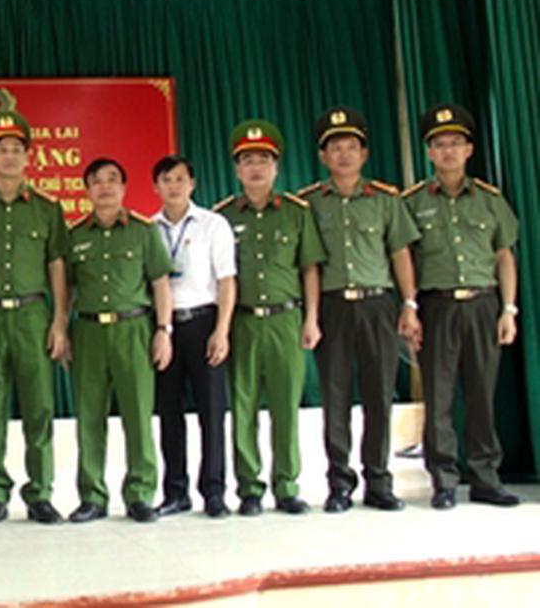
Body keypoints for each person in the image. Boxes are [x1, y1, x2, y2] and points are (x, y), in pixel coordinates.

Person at [298, 107, 419, 514]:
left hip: (377, 304)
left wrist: (409, 304)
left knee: (378, 394)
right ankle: (339, 484)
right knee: (334, 397)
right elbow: (309, 265)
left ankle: (379, 481)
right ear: (323, 156)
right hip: (332, 307)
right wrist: (311, 316)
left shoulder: (385, 200)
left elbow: (400, 254)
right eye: (335, 148)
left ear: (364, 154)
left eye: (351, 147)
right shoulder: (309, 204)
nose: (344, 155)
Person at [403, 103, 522, 510]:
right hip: (436, 307)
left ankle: (486, 478)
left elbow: (504, 255)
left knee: (481, 394)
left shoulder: (489, 200)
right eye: (439, 144)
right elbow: (406, 260)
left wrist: (509, 309)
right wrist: (410, 308)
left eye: (455, 142)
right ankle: (444, 481)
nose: (448, 151)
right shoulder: (413, 202)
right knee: (438, 397)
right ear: (429, 153)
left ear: (469, 149)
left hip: (483, 305)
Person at [0, 109, 70, 525]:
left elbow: (57, 266)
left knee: (39, 407)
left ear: (27, 157)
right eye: (1, 149)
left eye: (16, 149)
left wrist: (59, 322)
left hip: (32, 316)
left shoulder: (47, 209)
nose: (9, 156)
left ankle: (40, 493)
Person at [213, 119, 325, 516]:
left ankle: (287, 485)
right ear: (237, 170)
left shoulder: (296, 213)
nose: (255, 168)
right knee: (243, 407)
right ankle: (249, 488)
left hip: (285, 320)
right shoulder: (222, 217)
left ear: (276, 167)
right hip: (242, 323)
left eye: (263, 160)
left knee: (285, 406)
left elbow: (309, 268)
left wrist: (311, 319)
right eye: (247, 161)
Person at [65, 158, 173, 524]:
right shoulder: (75, 235)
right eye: (96, 181)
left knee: (138, 416)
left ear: (124, 188)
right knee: (89, 417)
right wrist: (61, 329)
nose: (105, 187)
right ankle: (92, 496)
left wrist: (164, 330)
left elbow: (160, 284)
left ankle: (140, 494)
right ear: (87, 190)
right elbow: (66, 289)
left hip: (134, 330)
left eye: (112, 179)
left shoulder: (144, 231)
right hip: (89, 333)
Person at [150, 155, 237, 519]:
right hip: (164, 328)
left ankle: (214, 491)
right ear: (156, 186)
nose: (174, 186)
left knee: (211, 412)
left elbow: (227, 281)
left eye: (180, 179)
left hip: (204, 323)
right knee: (169, 413)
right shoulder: (148, 229)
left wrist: (222, 330)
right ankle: (175, 492)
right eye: (166, 180)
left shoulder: (213, 225)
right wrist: (161, 330)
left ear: (193, 184)